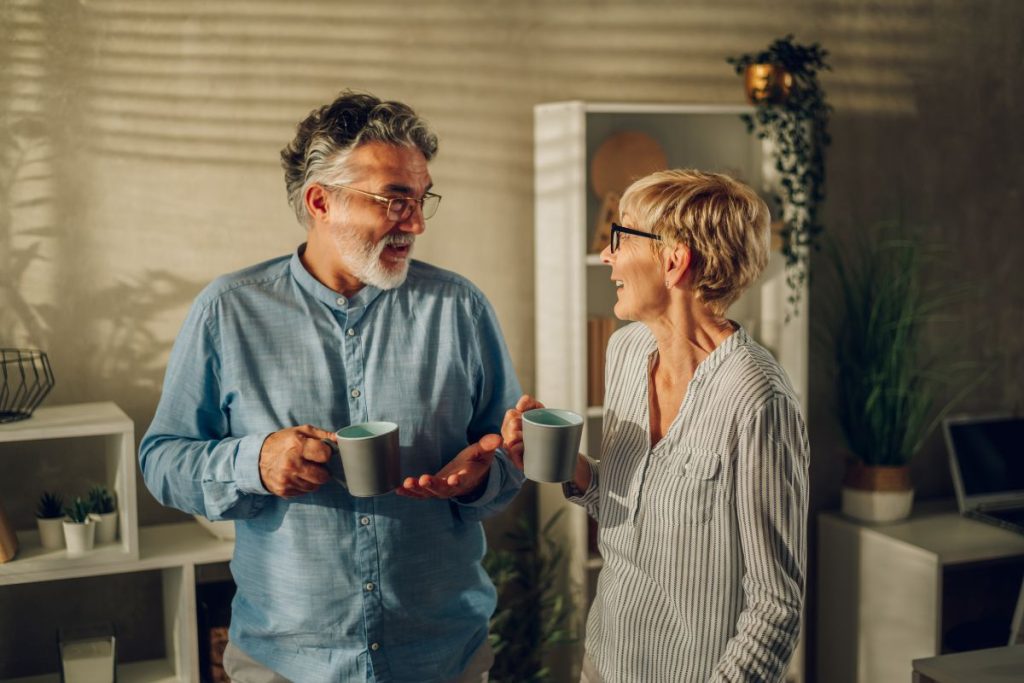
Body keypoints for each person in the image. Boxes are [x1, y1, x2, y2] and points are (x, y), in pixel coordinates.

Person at [139, 91, 525, 683]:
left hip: (442, 657)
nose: (417, 223)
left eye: (422, 201)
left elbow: (505, 459)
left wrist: (481, 479)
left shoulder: (460, 309)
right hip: (285, 662)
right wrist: (256, 462)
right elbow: (161, 459)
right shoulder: (229, 310)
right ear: (320, 200)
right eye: (395, 201)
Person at [503, 170, 809, 682]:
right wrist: (572, 468)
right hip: (606, 659)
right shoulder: (626, 350)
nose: (607, 255)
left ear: (673, 261)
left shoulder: (757, 400)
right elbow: (632, 507)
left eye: (620, 236)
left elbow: (776, 606)